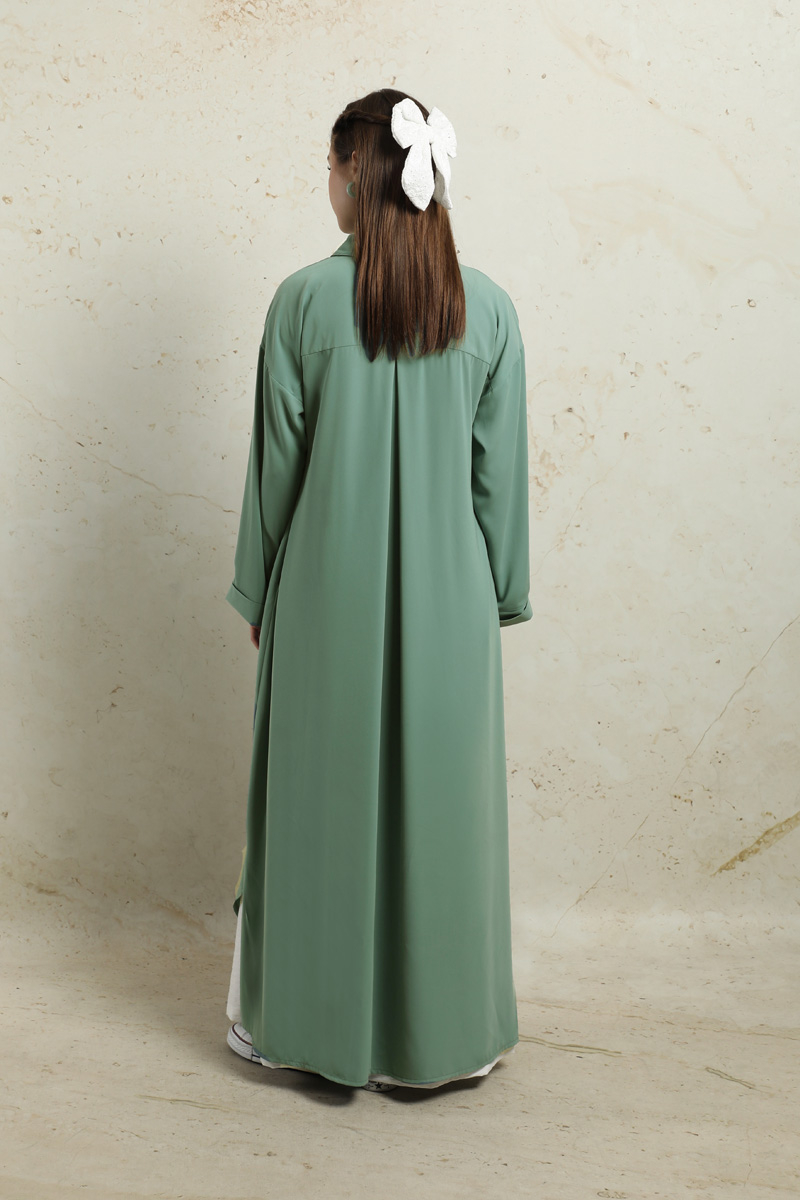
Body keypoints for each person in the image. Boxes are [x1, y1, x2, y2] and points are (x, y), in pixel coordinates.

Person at [224, 88, 532, 1093]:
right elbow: (498, 480)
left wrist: (258, 589)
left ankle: (305, 1024)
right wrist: (499, 592)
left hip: (324, 590)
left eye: (329, 167)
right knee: (444, 808)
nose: (326, 184)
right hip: (452, 600)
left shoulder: (302, 302)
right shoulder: (487, 309)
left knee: (320, 804)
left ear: (357, 174)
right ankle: (447, 1035)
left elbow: (274, 469)